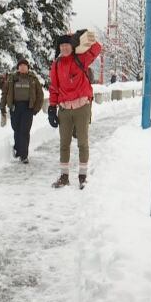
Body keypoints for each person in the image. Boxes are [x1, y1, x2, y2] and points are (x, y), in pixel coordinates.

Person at [48, 30, 102, 189]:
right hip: (64, 109)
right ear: (59, 48)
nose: (64, 48)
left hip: (81, 108)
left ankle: (82, 176)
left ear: (72, 46)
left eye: (67, 45)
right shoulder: (56, 64)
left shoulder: (81, 59)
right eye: (62, 45)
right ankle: (64, 177)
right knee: (64, 143)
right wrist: (52, 107)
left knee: (83, 143)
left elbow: (97, 48)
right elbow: (54, 88)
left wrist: (82, 35)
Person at [0, 60, 44, 163]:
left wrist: (36, 109)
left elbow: (40, 95)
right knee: (16, 129)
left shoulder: (33, 79)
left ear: (28, 67)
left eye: (24, 66)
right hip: (15, 107)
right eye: (21, 66)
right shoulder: (12, 78)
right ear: (18, 67)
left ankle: (24, 155)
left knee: (24, 131)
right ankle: (18, 149)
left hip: (28, 108)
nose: (23, 67)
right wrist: (2, 106)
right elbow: (4, 93)